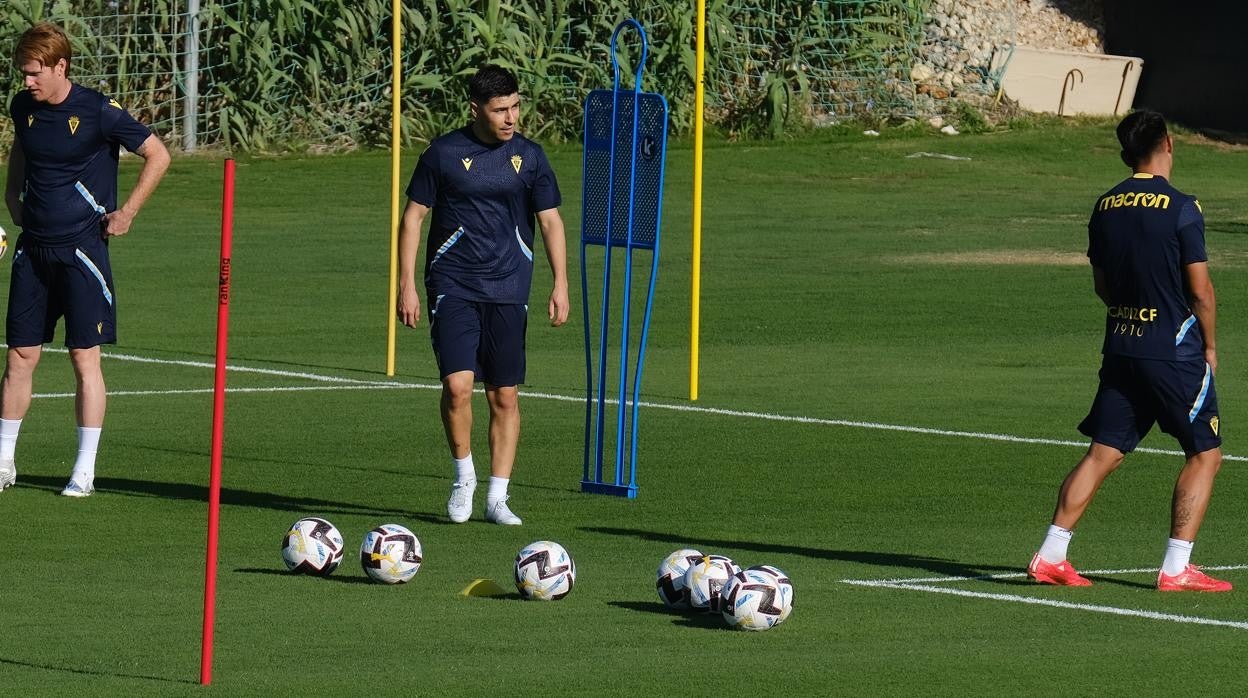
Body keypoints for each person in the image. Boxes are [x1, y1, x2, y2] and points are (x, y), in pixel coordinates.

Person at [1027, 110, 1228, 592]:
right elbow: (1199, 290)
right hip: (1172, 351)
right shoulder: (1183, 207)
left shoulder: (1105, 205)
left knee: (1103, 452)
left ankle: (1051, 555)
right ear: (1169, 144)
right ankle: (1176, 568)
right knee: (1205, 452)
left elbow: (1103, 284)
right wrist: (1211, 345)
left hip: (1121, 344)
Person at [1, 22, 170, 496]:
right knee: (20, 357)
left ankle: (84, 469)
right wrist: (12, 194)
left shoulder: (99, 111)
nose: (27, 82)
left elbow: (158, 154)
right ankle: (3, 462)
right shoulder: (23, 107)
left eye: (34, 73)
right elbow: (21, 150)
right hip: (32, 249)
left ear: (61, 66)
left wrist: (128, 212)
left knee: (83, 357)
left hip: (82, 251)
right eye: (22, 73)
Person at [396, 64, 569, 525]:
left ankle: (497, 497)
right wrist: (406, 283)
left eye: (515, 106)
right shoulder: (444, 154)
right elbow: (412, 217)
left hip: (510, 285)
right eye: (500, 110)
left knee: (504, 395)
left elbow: (550, 221)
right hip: (453, 282)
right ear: (476, 110)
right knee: (457, 387)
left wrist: (561, 282)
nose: (511, 117)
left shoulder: (530, 157)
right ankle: (463, 478)